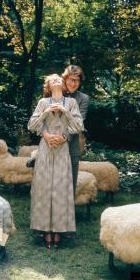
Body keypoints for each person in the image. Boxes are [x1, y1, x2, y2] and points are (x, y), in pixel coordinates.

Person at [28, 74, 84, 249]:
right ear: (48, 86)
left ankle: (58, 231)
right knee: (44, 188)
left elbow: (78, 126)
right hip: (45, 148)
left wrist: (64, 136)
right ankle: (45, 231)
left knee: (60, 188)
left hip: (62, 149)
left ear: (63, 83)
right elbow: (32, 125)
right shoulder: (42, 102)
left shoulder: (71, 103)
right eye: (52, 80)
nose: (56, 81)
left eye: (58, 79)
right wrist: (45, 133)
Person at [42, 65, 89, 196]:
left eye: (77, 80)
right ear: (65, 79)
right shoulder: (53, 90)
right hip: (49, 145)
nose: (74, 83)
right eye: (71, 79)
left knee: (69, 186)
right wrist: (45, 134)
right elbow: (42, 118)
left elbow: (80, 122)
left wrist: (64, 137)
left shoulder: (83, 99)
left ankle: (68, 215)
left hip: (71, 145)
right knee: (49, 184)